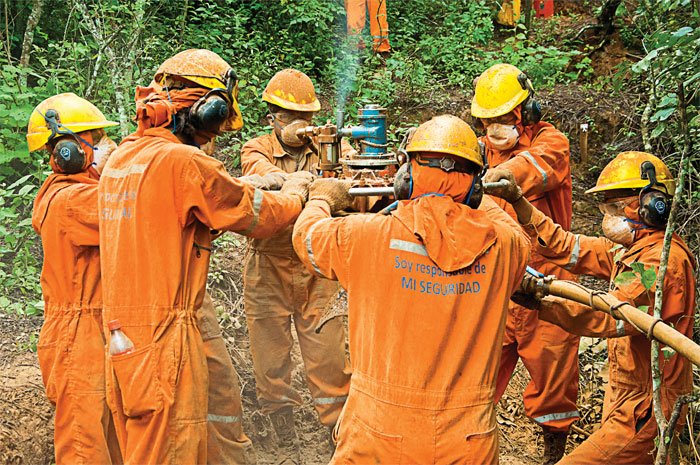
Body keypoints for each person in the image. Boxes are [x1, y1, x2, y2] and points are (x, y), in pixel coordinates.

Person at [98, 49, 312, 465]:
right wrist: (298, 193)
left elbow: (183, 207)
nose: (212, 139)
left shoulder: (125, 157)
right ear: (207, 111)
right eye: (216, 125)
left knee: (159, 438)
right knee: (171, 447)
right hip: (165, 336)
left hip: (127, 331)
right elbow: (258, 216)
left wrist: (252, 180)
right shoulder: (183, 162)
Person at [292, 115, 530, 463]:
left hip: (377, 431)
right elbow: (513, 232)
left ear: (406, 177)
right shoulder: (506, 246)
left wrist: (322, 198)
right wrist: (473, 194)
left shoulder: (364, 235)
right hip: (466, 439)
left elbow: (307, 239)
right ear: (476, 183)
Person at [486, 151, 696, 464]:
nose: (608, 216)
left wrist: (540, 302)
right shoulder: (630, 250)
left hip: (649, 402)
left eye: (615, 207)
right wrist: (519, 201)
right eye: (605, 207)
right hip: (626, 392)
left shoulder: (660, 263)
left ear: (652, 206)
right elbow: (567, 246)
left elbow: (606, 316)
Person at [240, 68, 352, 461]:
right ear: (272, 117)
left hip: (318, 267)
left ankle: (336, 432)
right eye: (288, 117)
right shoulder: (256, 148)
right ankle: (282, 430)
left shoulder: (327, 147)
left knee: (329, 357)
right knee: (270, 357)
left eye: (303, 117)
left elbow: (350, 185)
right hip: (267, 263)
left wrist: (335, 167)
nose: (297, 126)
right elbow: (261, 176)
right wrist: (300, 182)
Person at [471, 62, 579, 463]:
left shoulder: (552, 144)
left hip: (546, 276)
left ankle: (554, 447)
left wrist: (478, 182)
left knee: (553, 374)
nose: (495, 127)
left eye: (503, 118)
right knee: (476, 370)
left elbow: (523, 173)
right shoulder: (478, 148)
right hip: (494, 275)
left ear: (525, 112)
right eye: (487, 120)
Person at [27, 93, 122, 465]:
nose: (105, 148)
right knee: (84, 443)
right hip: (76, 331)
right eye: (97, 141)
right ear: (68, 150)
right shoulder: (72, 200)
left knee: (111, 436)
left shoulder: (80, 192)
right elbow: (128, 210)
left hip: (95, 324)